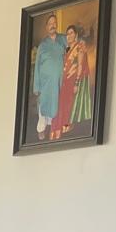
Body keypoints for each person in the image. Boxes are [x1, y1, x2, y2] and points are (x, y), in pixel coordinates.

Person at [52, 23, 92, 139]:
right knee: (61, 105)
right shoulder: (67, 50)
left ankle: (66, 128)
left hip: (73, 82)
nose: (69, 36)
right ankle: (58, 130)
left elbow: (80, 65)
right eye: (67, 34)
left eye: (71, 33)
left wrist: (76, 83)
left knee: (68, 106)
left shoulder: (79, 48)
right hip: (65, 82)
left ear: (76, 35)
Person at [33, 13, 67, 141]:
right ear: (46, 27)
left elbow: (73, 45)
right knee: (43, 106)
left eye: (54, 23)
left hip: (58, 81)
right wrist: (36, 87)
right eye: (50, 24)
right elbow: (37, 66)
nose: (53, 25)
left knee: (56, 105)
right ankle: (41, 129)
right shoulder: (43, 45)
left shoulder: (63, 39)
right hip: (45, 83)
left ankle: (54, 128)